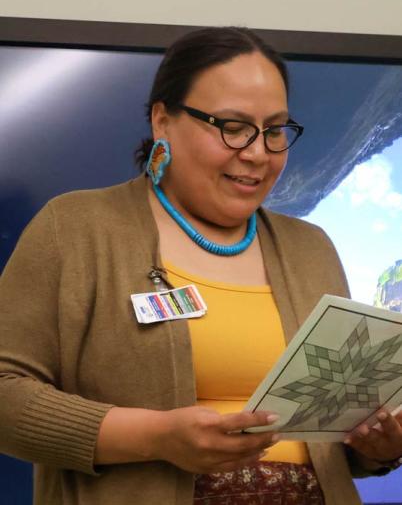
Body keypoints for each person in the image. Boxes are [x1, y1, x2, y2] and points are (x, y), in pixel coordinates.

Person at [0, 26, 401, 505]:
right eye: (232, 127)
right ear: (162, 121)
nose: (257, 153)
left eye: (274, 130)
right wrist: (156, 436)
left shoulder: (311, 248)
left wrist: (377, 449)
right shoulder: (75, 228)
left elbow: (331, 441)